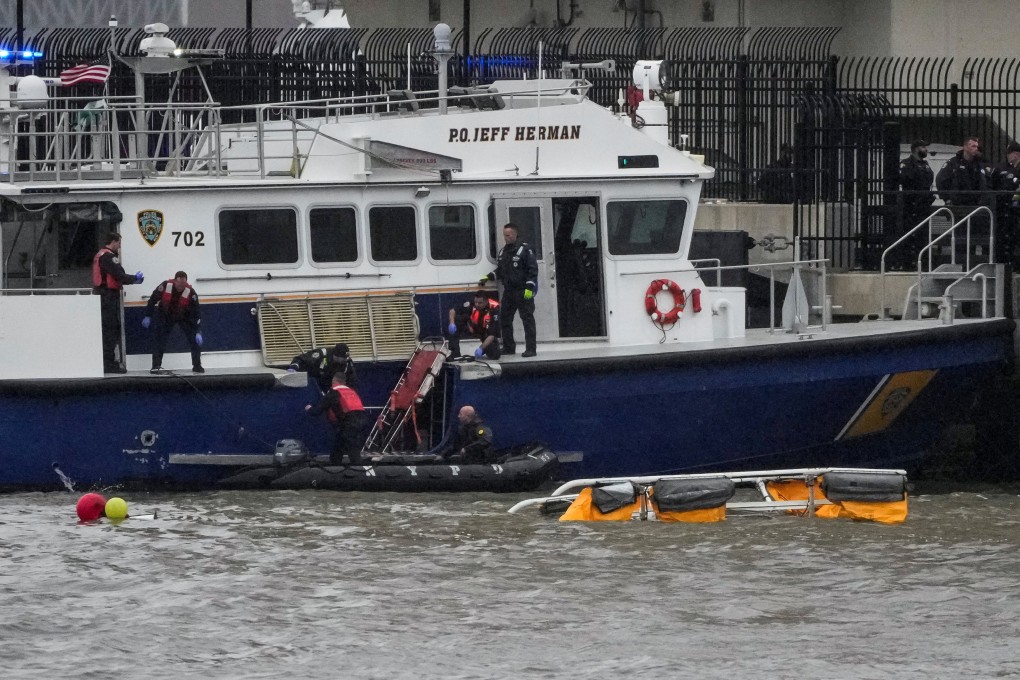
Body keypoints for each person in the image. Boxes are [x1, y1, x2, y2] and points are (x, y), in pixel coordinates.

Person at [481, 223, 538, 357]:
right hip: (509, 291)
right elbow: (501, 271)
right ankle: (509, 347)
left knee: (527, 319)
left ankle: (531, 349)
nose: (506, 238)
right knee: (505, 319)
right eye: (505, 235)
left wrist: (529, 288)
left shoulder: (525, 250)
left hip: (523, 291)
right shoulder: (503, 252)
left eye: (509, 235)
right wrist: (489, 277)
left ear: (515, 234)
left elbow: (533, 270)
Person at [92, 232, 144, 374]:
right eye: (119, 243)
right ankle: (108, 363)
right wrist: (135, 279)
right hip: (108, 297)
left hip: (102, 296)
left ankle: (106, 361)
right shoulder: (109, 257)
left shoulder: (100, 255)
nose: (119, 246)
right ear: (113, 242)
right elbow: (119, 275)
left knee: (107, 329)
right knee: (111, 330)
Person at [143, 271, 203, 374]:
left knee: (194, 339)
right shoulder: (165, 286)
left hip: (183, 316)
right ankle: (156, 365)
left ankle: (197, 366)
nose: (181, 287)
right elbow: (152, 300)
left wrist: (198, 331)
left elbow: (196, 313)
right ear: (175, 281)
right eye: (179, 284)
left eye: (183, 284)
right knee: (160, 339)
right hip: (166, 316)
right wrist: (148, 316)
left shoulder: (191, 293)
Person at [305, 372, 367, 465]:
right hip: (362, 420)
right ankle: (335, 464)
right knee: (338, 444)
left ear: (334, 381)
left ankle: (358, 467)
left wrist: (309, 409)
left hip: (349, 423)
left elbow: (317, 411)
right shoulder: (351, 391)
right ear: (344, 382)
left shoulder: (333, 392)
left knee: (352, 448)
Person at [894, 140, 936, 269]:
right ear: (916, 149)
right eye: (923, 147)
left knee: (923, 236)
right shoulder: (906, 164)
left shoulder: (925, 164)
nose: (926, 150)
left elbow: (929, 180)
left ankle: (922, 263)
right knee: (908, 234)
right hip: (910, 205)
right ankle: (907, 263)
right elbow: (905, 179)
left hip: (923, 205)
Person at [989, 141, 1020, 265]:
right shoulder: (1002, 168)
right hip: (1003, 209)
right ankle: (1004, 263)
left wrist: (1015, 201)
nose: (1007, 155)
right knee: (1003, 238)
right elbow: (992, 185)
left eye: (1009, 153)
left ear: (1016, 154)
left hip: (1016, 209)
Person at [446, 291, 501, 360]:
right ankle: (455, 353)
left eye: (480, 303)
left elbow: (492, 334)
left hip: (485, 332)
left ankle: (484, 350)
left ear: (486, 301)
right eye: (476, 302)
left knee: (495, 355)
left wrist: (481, 348)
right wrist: (452, 323)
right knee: (457, 320)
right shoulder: (471, 302)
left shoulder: (494, 309)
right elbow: (452, 311)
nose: (477, 305)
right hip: (472, 327)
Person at [936, 136, 990, 207]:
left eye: (977, 146)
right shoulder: (954, 163)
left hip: (976, 204)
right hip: (957, 204)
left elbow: (987, 181)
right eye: (973, 146)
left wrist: (985, 199)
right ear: (965, 147)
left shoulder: (979, 164)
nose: (976, 149)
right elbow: (940, 180)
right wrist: (947, 198)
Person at [288, 342, 358, 392]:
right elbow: (300, 359)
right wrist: (293, 368)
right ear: (336, 355)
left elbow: (352, 380)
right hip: (312, 381)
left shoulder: (347, 362)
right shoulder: (322, 354)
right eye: (343, 358)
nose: (345, 359)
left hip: (328, 384)